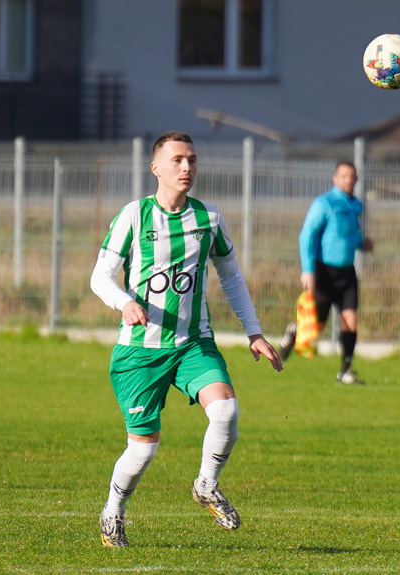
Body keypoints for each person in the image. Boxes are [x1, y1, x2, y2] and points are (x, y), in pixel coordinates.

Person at [90, 131, 283, 548]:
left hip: (193, 343)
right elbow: (99, 276)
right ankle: (112, 514)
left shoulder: (208, 218)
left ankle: (206, 485)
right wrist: (124, 303)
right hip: (140, 352)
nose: (186, 168)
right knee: (142, 452)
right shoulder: (134, 216)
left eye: (192, 160)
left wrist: (254, 332)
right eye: (177, 160)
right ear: (156, 167)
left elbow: (231, 276)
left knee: (227, 410)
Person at [278, 161, 373, 385]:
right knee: (316, 325)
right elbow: (307, 236)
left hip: (347, 273)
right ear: (335, 179)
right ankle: (294, 331)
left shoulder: (356, 205)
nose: (348, 180)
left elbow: (348, 235)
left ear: (356, 180)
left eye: (352, 176)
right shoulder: (324, 203)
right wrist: (308, 270)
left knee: (351, 320)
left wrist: (362, 243)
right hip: (323, 273)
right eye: (344, 176)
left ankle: (345, 371)